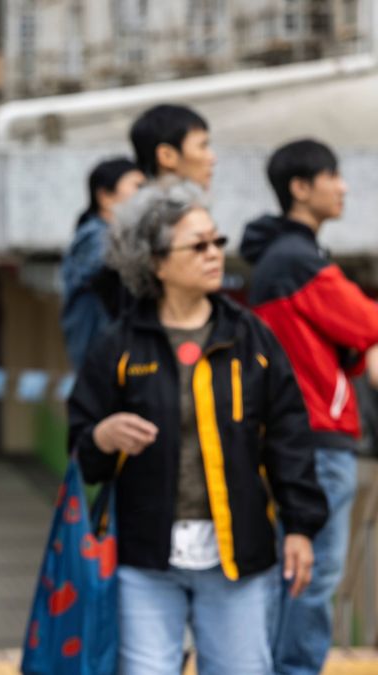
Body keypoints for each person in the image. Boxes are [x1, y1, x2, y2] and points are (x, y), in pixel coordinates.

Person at [67, 178, 327, 674]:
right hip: (143, 557)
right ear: (156, 262)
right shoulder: (118, 345)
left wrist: (300, 527)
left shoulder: (252, 338)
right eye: (198, 245)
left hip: (239, 557)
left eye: (217, 242)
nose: (215, 254)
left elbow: (289, 438)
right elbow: (84, 447)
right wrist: (101, 436)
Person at [239, 139, 375, 674]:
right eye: (332, 175)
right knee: (311, 577)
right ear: (301, 187)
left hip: (295, 435)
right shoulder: (299, 260)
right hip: (317, 439)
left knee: (292, 572)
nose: (343, 186)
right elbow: (368, 323)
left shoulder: (284, 257)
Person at [61, 157, 144, 366]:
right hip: (100, 361)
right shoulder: (95, 236)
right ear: (105, 197)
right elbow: (109, 261)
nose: (146, 196)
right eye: (138, 187)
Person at [129, 104, 216, 190]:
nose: (213, 158)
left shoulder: (137, 201)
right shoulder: (177, 202)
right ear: (167, 155)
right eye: (202, 146)